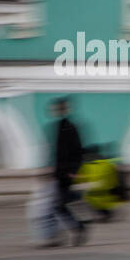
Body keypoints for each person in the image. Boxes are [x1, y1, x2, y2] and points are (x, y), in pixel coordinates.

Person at [50, 97, 87, 245]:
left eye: (60, 108)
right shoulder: (57, 126)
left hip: (66, 174)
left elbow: (78, 151)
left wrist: (73, 170)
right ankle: (71, 230)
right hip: (60, 173)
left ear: (64, 109)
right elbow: (56, 152)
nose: (57, 110)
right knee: (59, 204)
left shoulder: (70, 127)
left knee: (58, 205)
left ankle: (77, 228)